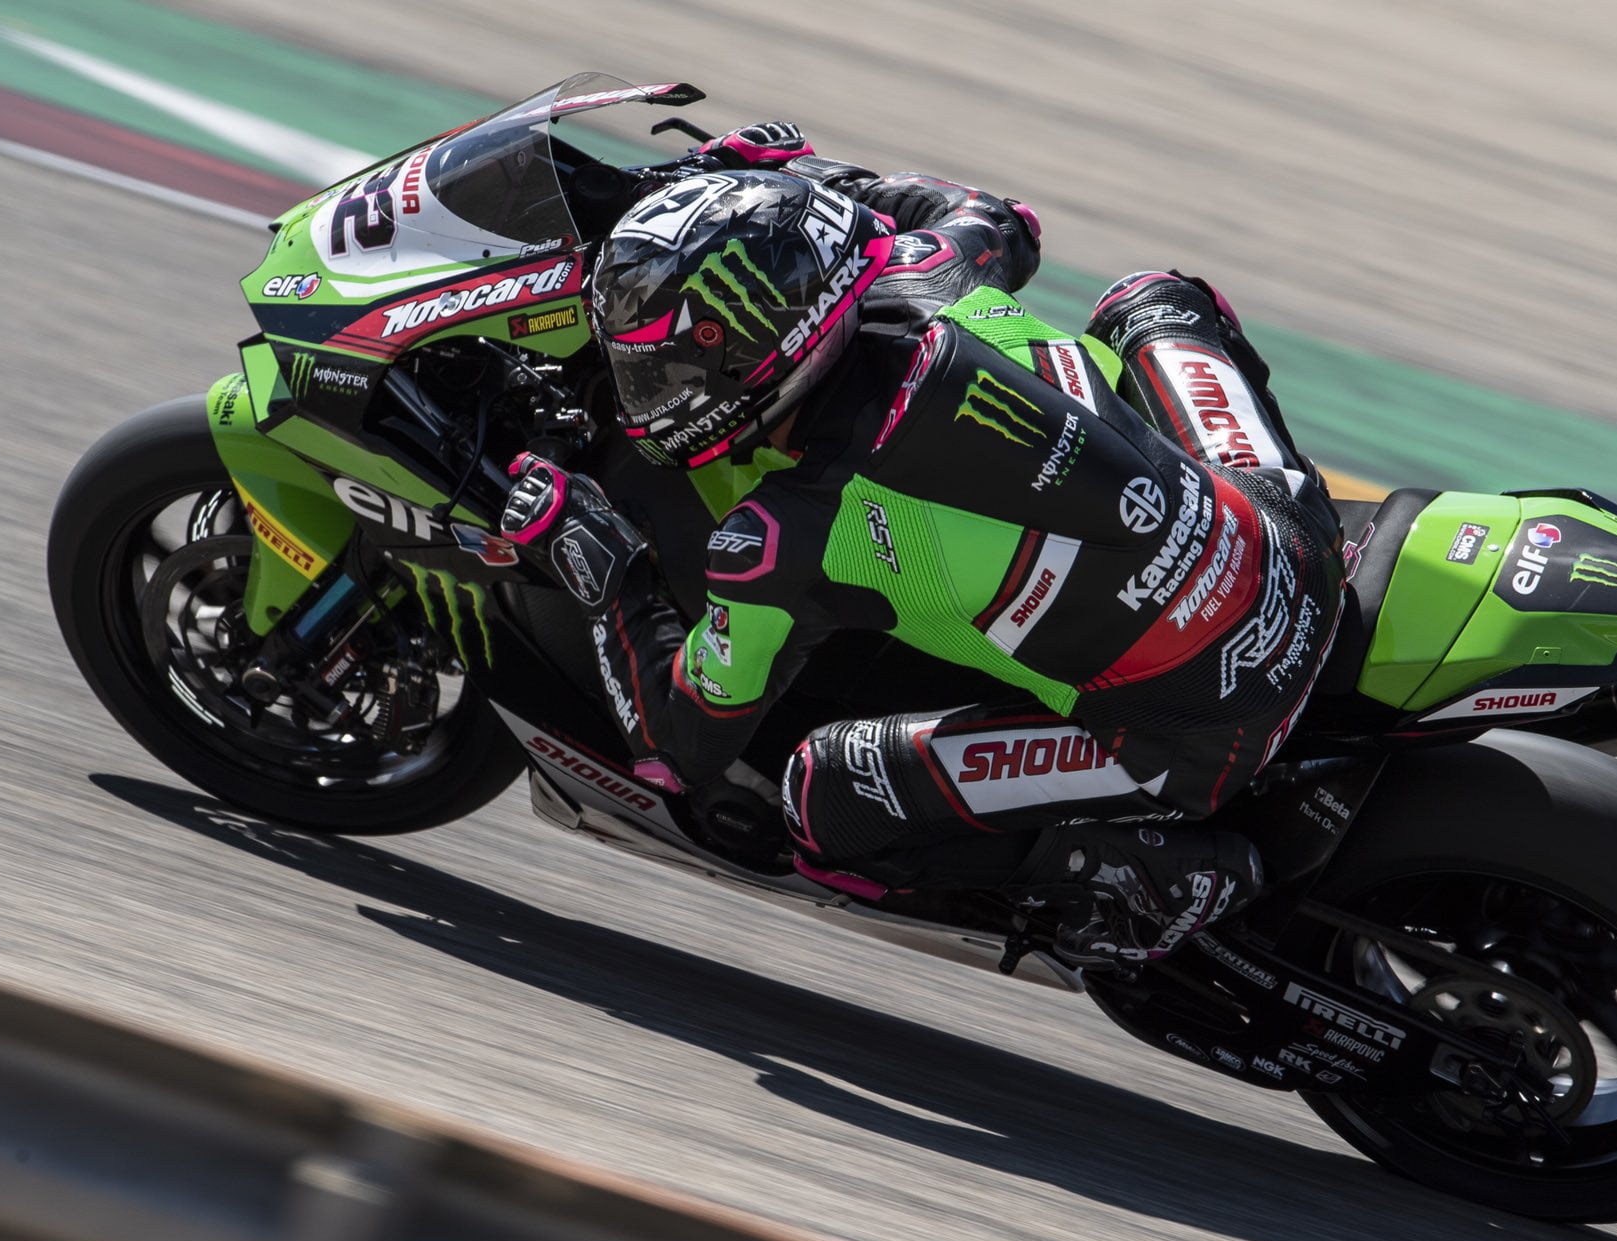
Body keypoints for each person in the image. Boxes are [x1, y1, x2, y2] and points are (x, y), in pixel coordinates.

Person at [499, 121, 1345, 964]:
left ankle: (1150, 876)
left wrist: (602, 571)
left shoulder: (782, 536)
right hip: (1296, 544)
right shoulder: (934, 267)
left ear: (745, 359)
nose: (642, 389)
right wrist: (809, 189)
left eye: (658, 368)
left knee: (826, 793)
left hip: (1193, 727)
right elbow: (1001, 218)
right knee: (1153, 297)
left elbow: (682, 746)